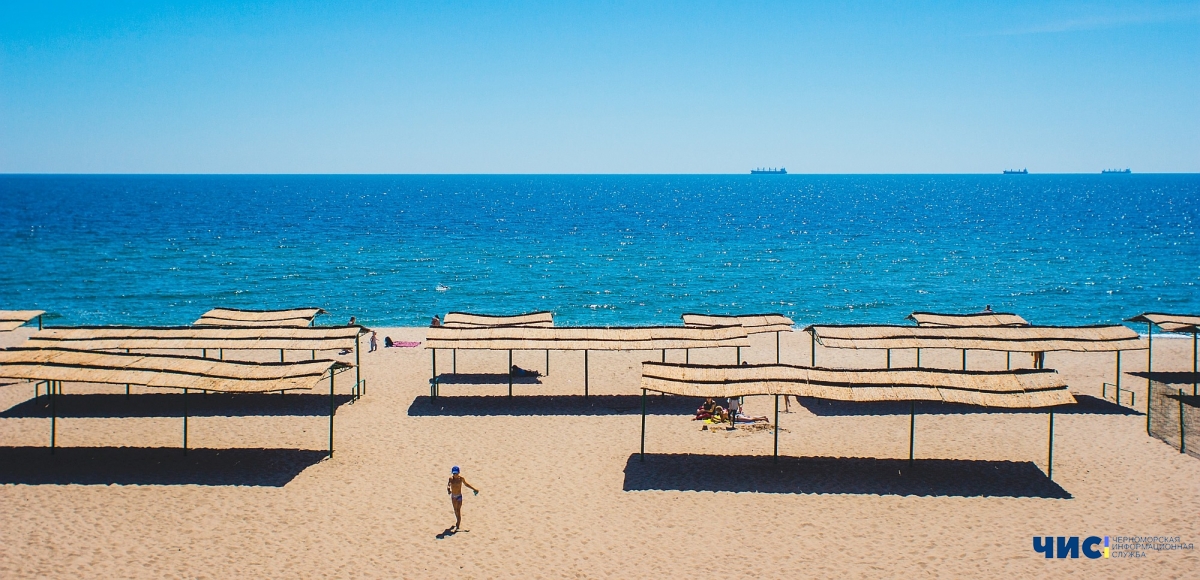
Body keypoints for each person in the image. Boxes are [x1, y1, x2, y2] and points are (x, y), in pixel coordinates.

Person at [446, 466, 479, 531]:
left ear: (459, 473)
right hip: (453, 497)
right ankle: (457, 522)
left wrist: (474, 489)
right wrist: (448, 489)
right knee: (455, 510)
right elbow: (448, 485)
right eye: (454, 473)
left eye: (456, 473)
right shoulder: (451, 479)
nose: (455, 475)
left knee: (458, 510)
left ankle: (458, 524)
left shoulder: (461, 479)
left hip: (459, 496)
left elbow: (466, 484)